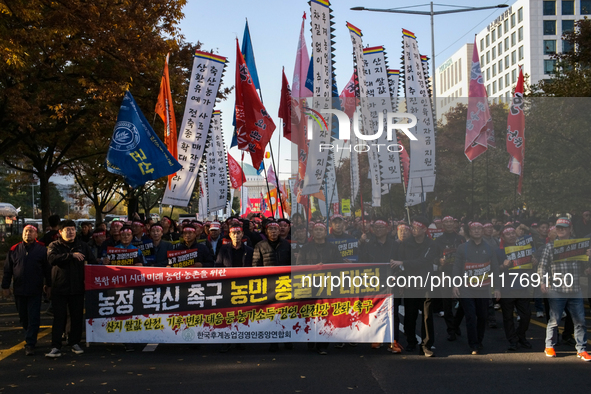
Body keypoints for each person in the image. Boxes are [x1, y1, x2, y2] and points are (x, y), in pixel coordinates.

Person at [538, 217, 591, 361]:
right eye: (559, 227)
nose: (561, 230)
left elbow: (585, 269)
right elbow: (543, 266)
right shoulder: (550, 246)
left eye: (564, 227)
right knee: (554, 320)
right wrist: (542, 282)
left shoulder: (578, 246)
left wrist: (588, 258)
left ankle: (582, 349)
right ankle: (549, 345)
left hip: (575, 288)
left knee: (580, 321)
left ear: (570, 229)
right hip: (556, 287)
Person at [46, 220, 97, 358]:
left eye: (73, 229)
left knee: (76, 317)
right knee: (59, 318)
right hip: (59, 288)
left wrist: (104, 263)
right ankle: (56, 346)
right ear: (60, 232)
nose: (70, 232)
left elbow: (93, 261)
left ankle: (74, 342)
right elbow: (52, 259)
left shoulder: (82, 245)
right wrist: (71, 256)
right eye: (67, 230)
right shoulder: (54, 245)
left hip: (77, 287)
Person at [2, 225, 51, 356]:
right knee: (23, 317)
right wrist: (5, 286)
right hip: (19, 290)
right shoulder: (14, 249)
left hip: (35, 290)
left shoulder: (42, 250)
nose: (28, 234)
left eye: (31, 231)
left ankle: (30, 343)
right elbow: (8, 270)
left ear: (36, 234)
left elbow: (47, 270)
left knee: (33, 316)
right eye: (25, 231)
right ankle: (29, 334)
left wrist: (49, 285)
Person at [453, 221, 501, 355]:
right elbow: (456, 268)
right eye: (474, 229)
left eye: (479, 228)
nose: (477, 231)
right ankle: (473, 344)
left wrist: (497, 288)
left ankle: (479, 341)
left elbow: (495, 268)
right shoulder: (463, 248)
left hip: (484, 288)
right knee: (470, 316)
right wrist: (455, 285)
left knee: (482, 316)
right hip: (466, 288)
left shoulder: (490, 248)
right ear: (469, 231)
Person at [391, 216, 435, 357]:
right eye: (413, 228)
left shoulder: (431, 244)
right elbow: (399, 266)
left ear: (424, 229)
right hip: (410, 284)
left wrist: (403, 262)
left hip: (426, 283)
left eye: (417, 228)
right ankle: (411, 341)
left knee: (427, 316)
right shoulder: (404, 244)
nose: (414, 230)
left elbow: (423, 261)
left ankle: (426, 345)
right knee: (410, 315)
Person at [296, 222, 342, 355]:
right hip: (310, 285)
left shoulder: (333, 248)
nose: (318, 232)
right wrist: (313, 268)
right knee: (310, 314)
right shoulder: (305, 248)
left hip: (328, 286)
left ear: (325, 231)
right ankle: (310, 340)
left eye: (321, 229)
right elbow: (299, 265)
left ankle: (323, 344)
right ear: (312, 232)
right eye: (316, 230)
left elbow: (339, 265)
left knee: (325, 314)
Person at [359, 219, 401, 353]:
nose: (378, 229)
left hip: (392, 283)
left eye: (381, 227)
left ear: (388, 229)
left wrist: (397, 275)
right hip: (373, 283)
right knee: (375, 310)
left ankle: (393, 341)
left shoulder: (396, 245)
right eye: (375, 227)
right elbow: (362, 263)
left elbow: (401, 263)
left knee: (392, 313)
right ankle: (376, 337)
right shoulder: (368, 245)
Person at [496, 225, 533, 351]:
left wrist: (533, 261)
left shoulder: (524, 248)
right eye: (508, 234)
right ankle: (512, 340)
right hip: (506, 288)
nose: (511, 235)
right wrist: (502, 266)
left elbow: (531, 265)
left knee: (526, 315)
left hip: (522, 286)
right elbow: (494, 270)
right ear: (503, 237)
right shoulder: (499, 251)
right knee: (508, 317)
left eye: (513, 233)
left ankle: (521, 335)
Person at [429, 215, 465, 342]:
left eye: (451, 222)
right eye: (446, 222)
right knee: (447, 304)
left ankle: (455, 324)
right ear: (442, 225)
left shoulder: (461, 239)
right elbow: (432, 257)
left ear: (454, 224)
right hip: (445, 273)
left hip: (461, 274)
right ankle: (451, 330)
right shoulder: (438, 241)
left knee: (464, 302)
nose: (449, 224)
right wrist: (438, 261)